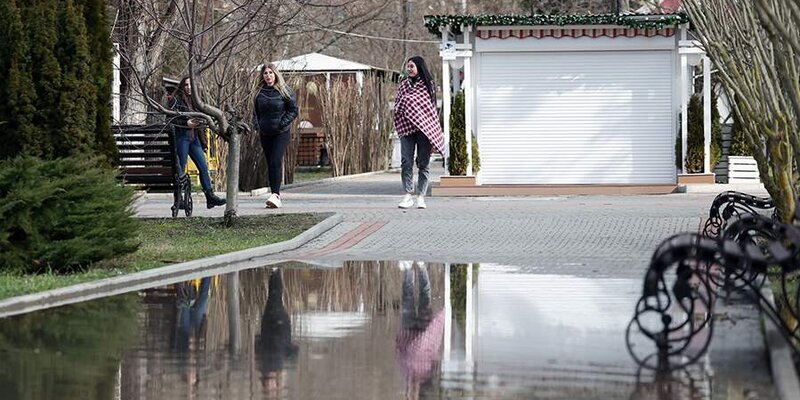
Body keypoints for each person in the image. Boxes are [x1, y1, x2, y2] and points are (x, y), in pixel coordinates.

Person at [393, 56, 445, 209]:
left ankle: (421, 196)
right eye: (408, 66)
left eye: (412, 66)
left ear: (419, 67)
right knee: (406, 161)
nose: (409, 69)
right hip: (406, 128)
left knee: (423, 163)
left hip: (424, 129)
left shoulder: (428, 85)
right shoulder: (403, 85)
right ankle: (408, 194)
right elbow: (398, 104)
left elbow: (430, 109)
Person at [169, 77, 226, 209]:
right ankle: (179, 199)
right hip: (182, 137)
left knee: (203, 166)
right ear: (182, 86)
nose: (189, 87)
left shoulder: (197, 101)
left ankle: (210, 197)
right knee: (180, 169)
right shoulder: (176, 100)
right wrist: (186, 123)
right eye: (186, 85)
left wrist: (204, 142)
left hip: (194, 139)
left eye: (191, 85)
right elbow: (170, 120)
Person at [395, 261, 445, 400]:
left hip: (408, 329)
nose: (410, 394)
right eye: (412, 396)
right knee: (425, 296)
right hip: (424, 329)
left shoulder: (406, 373)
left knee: (407, 297)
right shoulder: (427, 376)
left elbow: (399, 353)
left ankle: (408, 269)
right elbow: (434, 355)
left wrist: (400, 339)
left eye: (408, 395)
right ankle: (422, 268)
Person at [253, 63, 298, 209]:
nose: (268, 76)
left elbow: (293, 110)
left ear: (276, 74)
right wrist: (256, 125)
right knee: (269, 163)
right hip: (265, 132)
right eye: (265, 73)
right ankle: (273, 194)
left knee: (275, 161)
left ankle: (276, 195)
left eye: (270, 73)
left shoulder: (285, 91)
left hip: (281, 132)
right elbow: (255, 112)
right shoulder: (259, 92)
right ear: (262, 76)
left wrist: (282, 123)